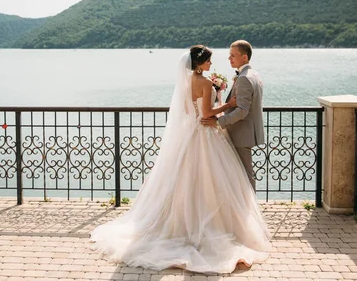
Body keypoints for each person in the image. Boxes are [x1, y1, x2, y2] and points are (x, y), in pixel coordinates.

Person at [90, 45, 271, 274]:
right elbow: (206, 114)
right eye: (208, 61)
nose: (211, 65)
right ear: (199, 63)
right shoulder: (205, 83)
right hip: (205, 134)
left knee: (187, 180)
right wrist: (227, 104)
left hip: (191, 134)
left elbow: (190, 111)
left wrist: (217, 98)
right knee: (210, 180)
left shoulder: (186, 82)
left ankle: (183, 224)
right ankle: (213, 224)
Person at [201, 40, 264, 190]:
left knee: (246, 175)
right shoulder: (253, 74)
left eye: (233, 55)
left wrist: (218, 122)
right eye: (229, 55)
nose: (229, 58)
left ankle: (250, 210)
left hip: (242, 133)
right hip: (246, 132)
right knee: (242, 174)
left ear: (244, 57)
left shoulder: (243, 78)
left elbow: (242, 110)